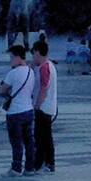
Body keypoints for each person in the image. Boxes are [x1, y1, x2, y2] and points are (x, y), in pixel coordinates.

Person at [0, 44, 36, 178]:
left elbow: (2, 90)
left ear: (18, 57)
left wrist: (5, 87)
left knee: (16, 142)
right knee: (29, 141)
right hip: (28, 110)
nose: (10, 60)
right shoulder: (30, 72)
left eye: (12, 57)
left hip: (15, 113)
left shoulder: (12, 73)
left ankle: (16, 168)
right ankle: (30, 167)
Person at [32, 39, 57, 173]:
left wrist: (37, 104)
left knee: (41, 136)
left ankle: (46, 163)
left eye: (33, 54)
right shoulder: (49, 65)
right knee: (44, 136)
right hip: (48, 106)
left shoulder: (44, 67)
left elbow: (44, 87)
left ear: (37, 52)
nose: (33, 57)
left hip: (43, 107)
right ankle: (44, 163)